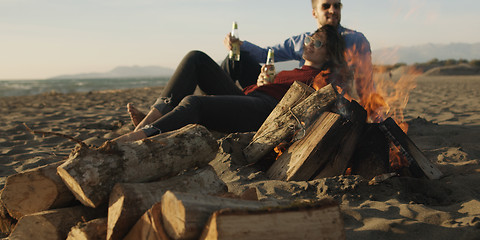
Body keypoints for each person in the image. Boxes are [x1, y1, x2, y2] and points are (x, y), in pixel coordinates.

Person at [114, 25, 348, 142]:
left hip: (265, 113)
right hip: (252, 98)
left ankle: (143, 136)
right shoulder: (296, 70)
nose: (309, 44)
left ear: (329, 55)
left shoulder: (323, 76)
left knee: (194, 103)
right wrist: (262, 82)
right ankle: (152, 118)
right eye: (310, 39)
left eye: (317, 43)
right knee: (196, 57)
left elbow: (329, 99)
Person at [222, 0, 373, 102]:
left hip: (320, 103)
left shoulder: (355, 40)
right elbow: (266, 54)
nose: (333, 11)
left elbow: (365, 82)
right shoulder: (304, 40)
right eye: (326, 6)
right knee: (236, 58)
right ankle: (217, 101)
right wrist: (239, 44)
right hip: (290, 91)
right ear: (314, 13)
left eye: (337, 6)